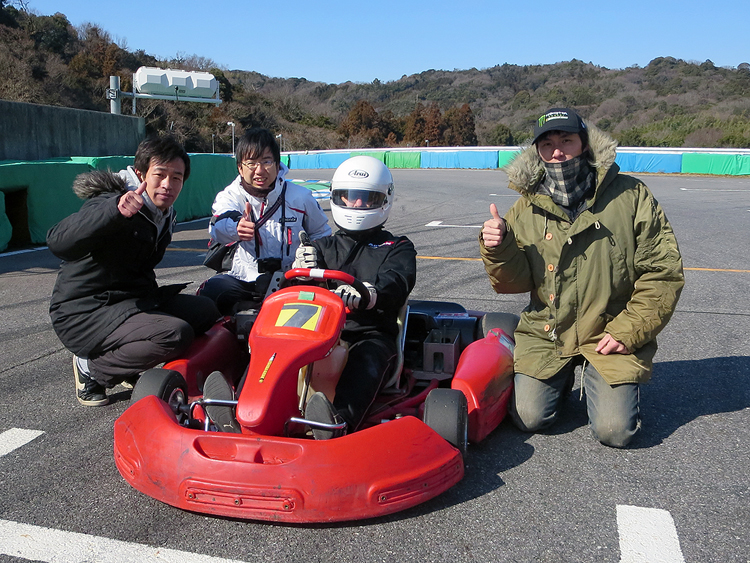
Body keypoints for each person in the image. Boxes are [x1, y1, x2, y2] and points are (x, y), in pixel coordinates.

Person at [479, 107, 684, 448]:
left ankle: (600, 376)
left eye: (567, 140)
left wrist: (628, 331)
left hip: (608, 330)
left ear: (585, 144)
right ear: (537, 152)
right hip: (548, 331)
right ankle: (556, 381)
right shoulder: (525, 209)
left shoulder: (631, 196)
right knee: (529, 417)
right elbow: (512, 284)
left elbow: (663, 274)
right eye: (547, 145)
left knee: (615, 432)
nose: (557, 152)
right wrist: (498, 247)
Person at [47, 136, 221, 407]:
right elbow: (58, 241)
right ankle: (91, 368)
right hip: (85, 311)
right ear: (139, 173)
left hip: (129, 303)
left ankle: (124, 364)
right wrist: (112, 211)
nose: (168, 184)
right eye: (159, 175)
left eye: (177, 178)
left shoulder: (163, 213)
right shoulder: (111, 202)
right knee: (174, 333)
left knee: (206, 311)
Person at [294, 155, 417, 439]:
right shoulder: (320, 247)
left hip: (367, 332)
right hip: (316, 332)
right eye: (350, 197)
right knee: (273, 343)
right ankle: (244, 408)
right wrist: (301, 271)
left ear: (384, 200)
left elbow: (397, 281)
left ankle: (336, 426)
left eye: (367, 198)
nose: (358, 204)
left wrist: (370, 293)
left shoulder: (396, 247)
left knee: (366, 359)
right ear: (338, 198)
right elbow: (294, 294)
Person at [197, 127, 330, 315]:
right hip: (245, 279)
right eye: (251, 163)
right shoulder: (230, 196)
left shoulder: (301, 197)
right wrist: (236, 227)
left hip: (293, 278)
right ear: (240, 168)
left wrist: (312, 253)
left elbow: (322, 233)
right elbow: (217, 226)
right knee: (211, 291)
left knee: (323, 301)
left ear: (277, 164)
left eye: (266, 162)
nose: (259, 170)